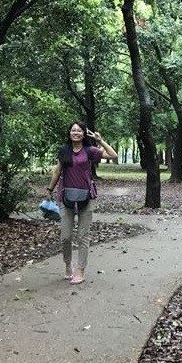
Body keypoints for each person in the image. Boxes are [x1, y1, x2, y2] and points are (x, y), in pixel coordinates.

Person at [46, 122, 117, 285]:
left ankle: (81, 270)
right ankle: (67, 265)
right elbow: (57, 171)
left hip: (87, 197)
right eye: (73, 130)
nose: (76, 132)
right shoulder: (64, 151)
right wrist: (49, 189)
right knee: (66, 237)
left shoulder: (90, 151)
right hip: (65, 197)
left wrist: (100, 140)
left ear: (84, 134)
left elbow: (113, 155)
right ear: (69, 133)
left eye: (79, 130)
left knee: (83, 236)